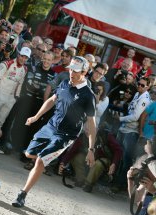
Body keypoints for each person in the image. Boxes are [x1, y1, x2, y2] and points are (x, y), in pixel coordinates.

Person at [11, 56, 96, 207]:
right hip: (50, 126)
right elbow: (52, 100)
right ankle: (46, 159)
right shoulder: (64, 83)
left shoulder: (88, 95)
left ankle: (22, 195)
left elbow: (91, 122)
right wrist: (36, 117)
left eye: (76, 71)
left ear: (84, 72)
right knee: (28, 154)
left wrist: (91, 149)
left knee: (40, 161)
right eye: (71, 69)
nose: (72, 73)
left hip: (66, 134)